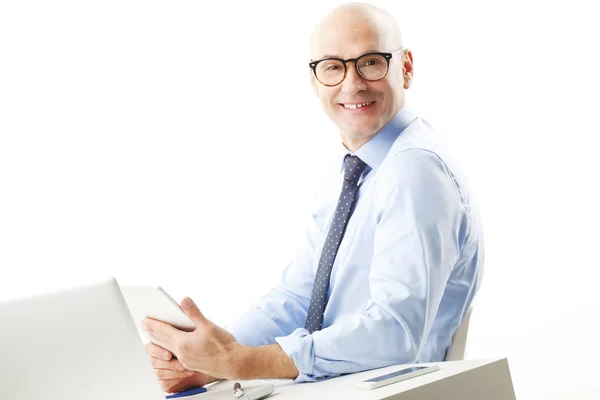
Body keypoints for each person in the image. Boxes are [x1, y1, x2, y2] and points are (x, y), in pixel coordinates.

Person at [142, 2, 484, 393]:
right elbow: (299, 295)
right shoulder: (356, 168)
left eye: (371, 62)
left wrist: (240, 362)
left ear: (405, 68)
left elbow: (395, 332)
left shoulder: (415, 168)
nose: (352, 83)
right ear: (314, 80)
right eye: (333, 66)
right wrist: (211, 357)